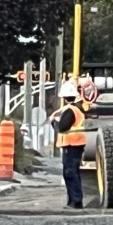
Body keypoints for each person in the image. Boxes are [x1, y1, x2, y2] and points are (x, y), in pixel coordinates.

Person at [49, 80, 87, 209]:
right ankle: (74, 200)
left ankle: (75, 201)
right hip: (76, 144)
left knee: (70, 173)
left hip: (72, 145)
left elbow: (62, 128)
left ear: (64, 98)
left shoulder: (70, 110)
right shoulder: (76, 109)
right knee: (72, 172)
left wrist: (53, 122)